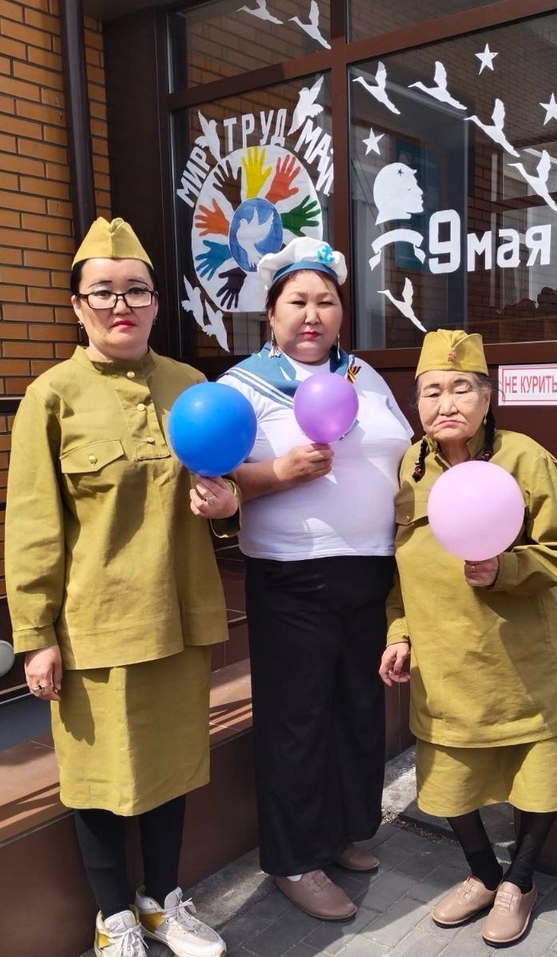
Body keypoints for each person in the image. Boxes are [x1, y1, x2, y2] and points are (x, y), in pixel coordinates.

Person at [5, 217, 236, 957]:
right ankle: (113, 918)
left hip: (178, 614)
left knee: (171, 766)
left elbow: (222, 486)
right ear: (77, 307)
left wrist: (226, 503)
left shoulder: (190, 387)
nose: (120, 305)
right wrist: (35, 635)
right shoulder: (52, 396)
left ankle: (163, 901)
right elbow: (33, 523)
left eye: (136, 290)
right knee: (98, 778)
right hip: (95, 624)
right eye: (102, 292)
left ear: (157, 303)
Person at [219, 237, 413, 921]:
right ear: (271, 313)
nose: (312, 314)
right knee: (296, 721)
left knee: (356, 711)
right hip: (291, 576)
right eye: (297, 301)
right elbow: (212, 481)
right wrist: (278, 473)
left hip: (371, 568)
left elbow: (401, 450)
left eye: (325, 301)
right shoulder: (241, 387)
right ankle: (294, 859)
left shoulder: (364, 375)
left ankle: (341, 832)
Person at [379, 330, 557, 947]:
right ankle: (482, 873)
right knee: (449, 781)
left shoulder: (526, 459)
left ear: (488, 397)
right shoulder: (410, 466)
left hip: (515, 662)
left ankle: (520, 882)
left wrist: (506, 568)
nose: (446, 403)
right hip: (443, 664)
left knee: (539, 774)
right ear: (416, 402)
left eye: (461, 388)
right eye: (431, 391)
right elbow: (401, 567)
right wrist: (399, 632)